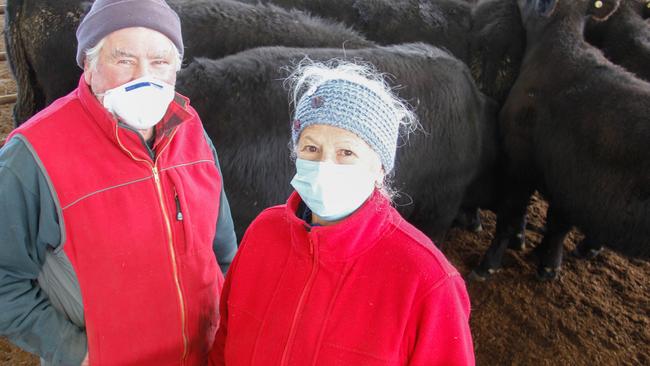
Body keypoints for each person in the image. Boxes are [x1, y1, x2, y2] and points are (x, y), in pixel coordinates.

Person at [0, 0, 237, 364]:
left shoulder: (190, 129)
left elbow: (221, 251)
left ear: (176, 67)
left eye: (160, 62)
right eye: (123, 60)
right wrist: (73, 352)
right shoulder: (33, 156)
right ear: (90, 67)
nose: (144, 76)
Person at [209, 61, 474, 365]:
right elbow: (225, 340)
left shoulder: (426, 280)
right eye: (311, 149)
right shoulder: (264, 233)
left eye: (346, 152)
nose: (324, 165)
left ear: (380, 167)